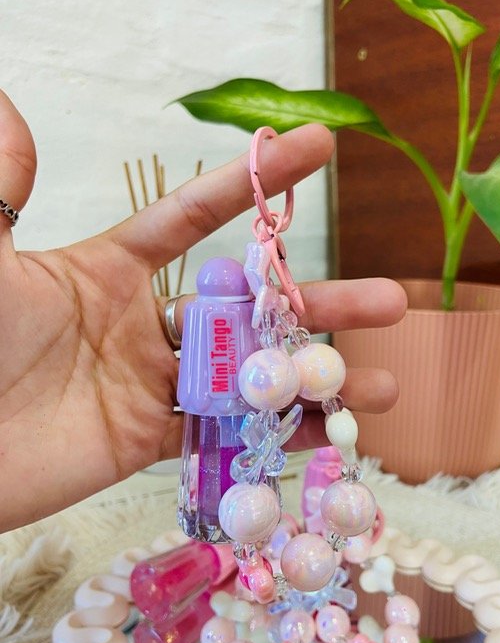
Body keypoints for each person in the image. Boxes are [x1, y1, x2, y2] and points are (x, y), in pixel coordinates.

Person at [0, 90, 407, 532]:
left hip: (245, 405)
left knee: (249, 477)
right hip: (214, 413)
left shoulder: (241, 314)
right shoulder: (211, 317)